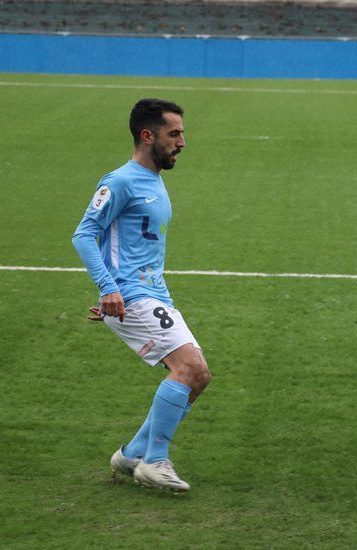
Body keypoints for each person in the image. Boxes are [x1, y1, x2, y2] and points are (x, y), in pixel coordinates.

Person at [72, 98, 211, 492]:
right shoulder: (119, 181)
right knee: (188, 369)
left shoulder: (153, 180)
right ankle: (154, 461)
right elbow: (83, 234)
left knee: (198, 377)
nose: (182, 142)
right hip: (131, 296)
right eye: (174, 134)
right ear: (147, 136)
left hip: (152, 294)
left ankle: (133, 452)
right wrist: (109, 289)